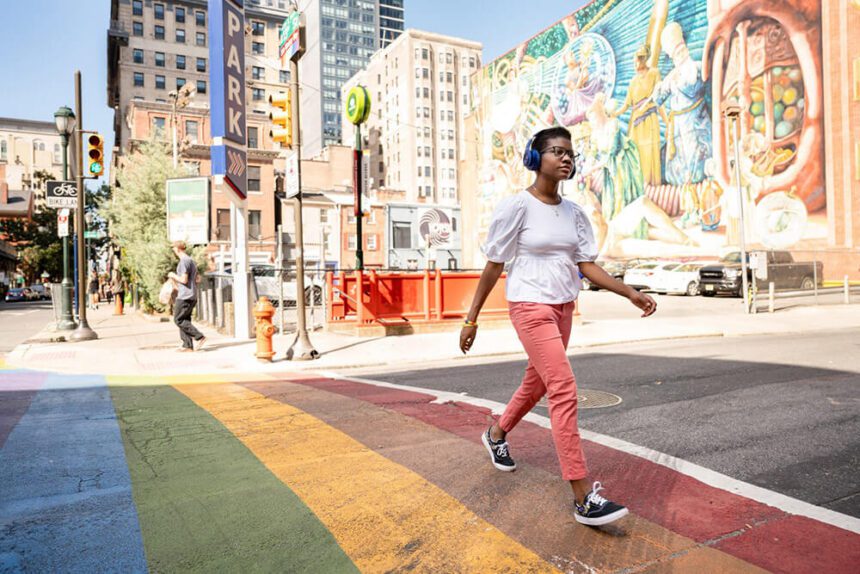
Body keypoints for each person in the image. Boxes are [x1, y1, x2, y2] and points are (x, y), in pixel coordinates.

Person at [460, 126, 657, 526]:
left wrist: (629, 292)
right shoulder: (517, 207)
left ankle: (496, 434)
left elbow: (587, 266)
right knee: (563, 388)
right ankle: (583, 496)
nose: (567, 159)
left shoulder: (575, 214)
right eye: (557, 152)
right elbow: (494, 264)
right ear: (536, 158)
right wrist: (471, 317)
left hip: (563, 308)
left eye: (571, 154)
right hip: (529, 307)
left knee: (537, 384)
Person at [168, 241, 206, 352]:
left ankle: (199, 337)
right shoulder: (191, 261)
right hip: (191, 294)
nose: (173, 251)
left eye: (173, 248)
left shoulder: (184, 262)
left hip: (185, 296)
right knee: (184, 319)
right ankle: (187, 345)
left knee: (178, 319)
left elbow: (184, 280)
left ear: (178, 249)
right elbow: (197, 279)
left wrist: (173, 275)